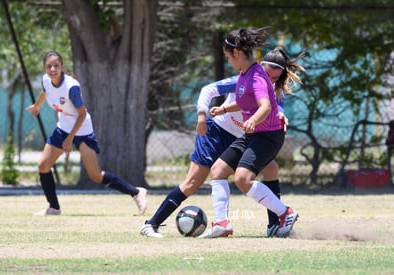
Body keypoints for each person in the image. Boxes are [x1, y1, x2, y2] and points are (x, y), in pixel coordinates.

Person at [140, 47, 302, 238]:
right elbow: (207, 89)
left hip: (243, 136)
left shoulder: (274, 91)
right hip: (217, 132)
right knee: (193, 182)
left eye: (275, 78)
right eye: (267, 74)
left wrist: (281, 116)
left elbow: (274, 108)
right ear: (260, 68)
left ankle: (274, 225)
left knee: (270, 168)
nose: (270, 80)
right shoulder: (245, 79)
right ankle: (152, 224)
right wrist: (202, 115)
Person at [200, 27, 298, 238]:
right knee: (218, 170)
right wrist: (225, 108)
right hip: (254, 134)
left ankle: (285, 213)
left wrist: (253, 120)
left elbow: (265, 106)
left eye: (228, 56)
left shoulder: (257, 77)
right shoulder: (244, 74)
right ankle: (222, 223)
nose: (228, 61)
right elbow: (246, 101)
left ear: (236, 53)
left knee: (242, 180)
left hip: (268, 135)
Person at [27, 51, 147, 216]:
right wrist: (37, 105)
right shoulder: (46, 80)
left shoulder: (71, 86)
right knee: (43, 165)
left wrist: (70, 139)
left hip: (82, 129)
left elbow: (82, 114)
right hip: (64, 127)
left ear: (62, 66)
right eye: (49, 66)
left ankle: (136, 192)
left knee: (96, 176)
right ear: (44, 68)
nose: (53, 69)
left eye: (56, 65)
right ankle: (53, 207)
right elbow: (45, 92)